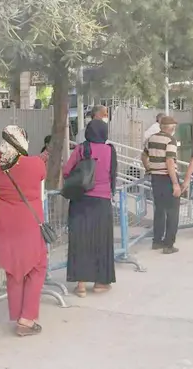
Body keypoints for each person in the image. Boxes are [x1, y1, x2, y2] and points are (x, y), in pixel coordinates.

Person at [0, 125, 47, 336]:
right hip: (28, 223)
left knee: (13, 267)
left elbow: (1, 157)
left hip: (5, 221)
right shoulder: (35, 164)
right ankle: (27, 319)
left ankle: (16, 313)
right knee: (36, 266)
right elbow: (39, 175)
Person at [63, 119, 117, 298]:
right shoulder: (110, 150)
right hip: (102, 201)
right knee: (101, 240)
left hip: (81, 200)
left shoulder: (81, 149)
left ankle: (81, 286)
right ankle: (100, 282)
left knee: (81, 240)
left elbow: (66, 171)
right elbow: (113, 175)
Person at [141, 116, 181, 254]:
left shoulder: (151, 139)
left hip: (156, 178)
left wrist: (149, 169)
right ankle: (168, 245)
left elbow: (143, 156)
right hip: (168, 178)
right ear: (172, 128)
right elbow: (170, 161)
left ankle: (157, 241)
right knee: (172, 212)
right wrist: (175, 183)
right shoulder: (171, 140)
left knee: (159, 210)